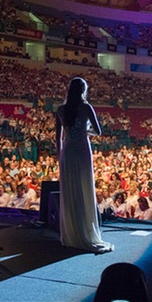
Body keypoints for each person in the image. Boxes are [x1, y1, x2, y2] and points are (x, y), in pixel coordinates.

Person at [54, 77, 113, 254]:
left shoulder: (61, 110)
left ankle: (72, 232)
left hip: (68, 150)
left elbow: (57, 137)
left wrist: (60, 156)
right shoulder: (86, 107)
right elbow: (98, 131)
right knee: (84, 187)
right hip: (82, 149)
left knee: (70, 190)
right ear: (83, 90)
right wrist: (85, 130)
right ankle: (86, 231)